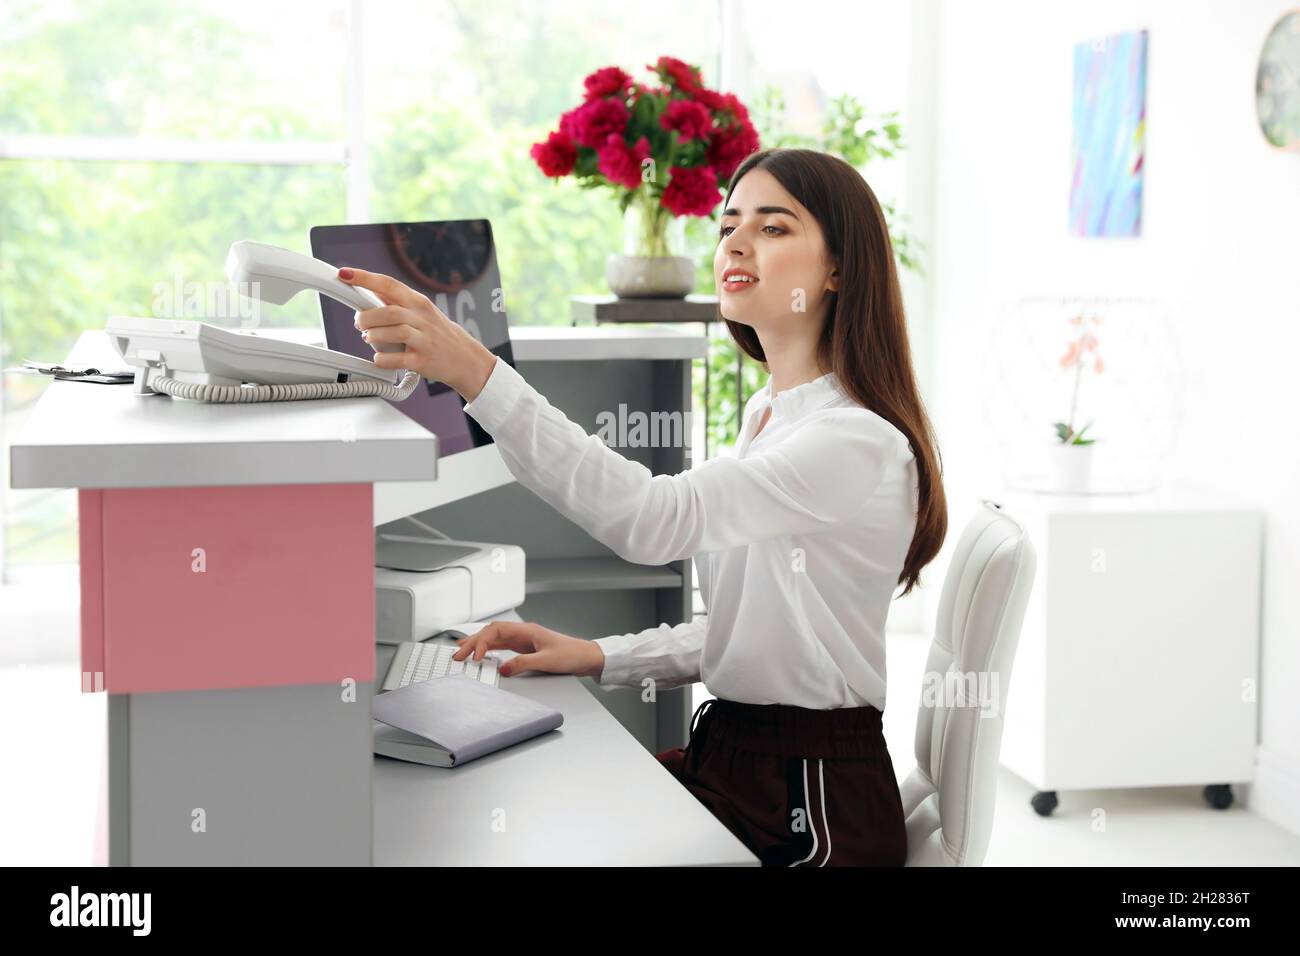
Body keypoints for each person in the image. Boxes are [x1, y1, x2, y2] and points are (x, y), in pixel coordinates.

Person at [338, 146, 947, 867]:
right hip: (740, 760)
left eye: (774, 228)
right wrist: (599, 655)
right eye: (728, 226)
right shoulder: (769, 415)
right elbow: (752, 633)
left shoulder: (851, 439)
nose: (737, 243)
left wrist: (476, 373)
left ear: (840, 269)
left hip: (809, 803)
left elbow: (653, 520)